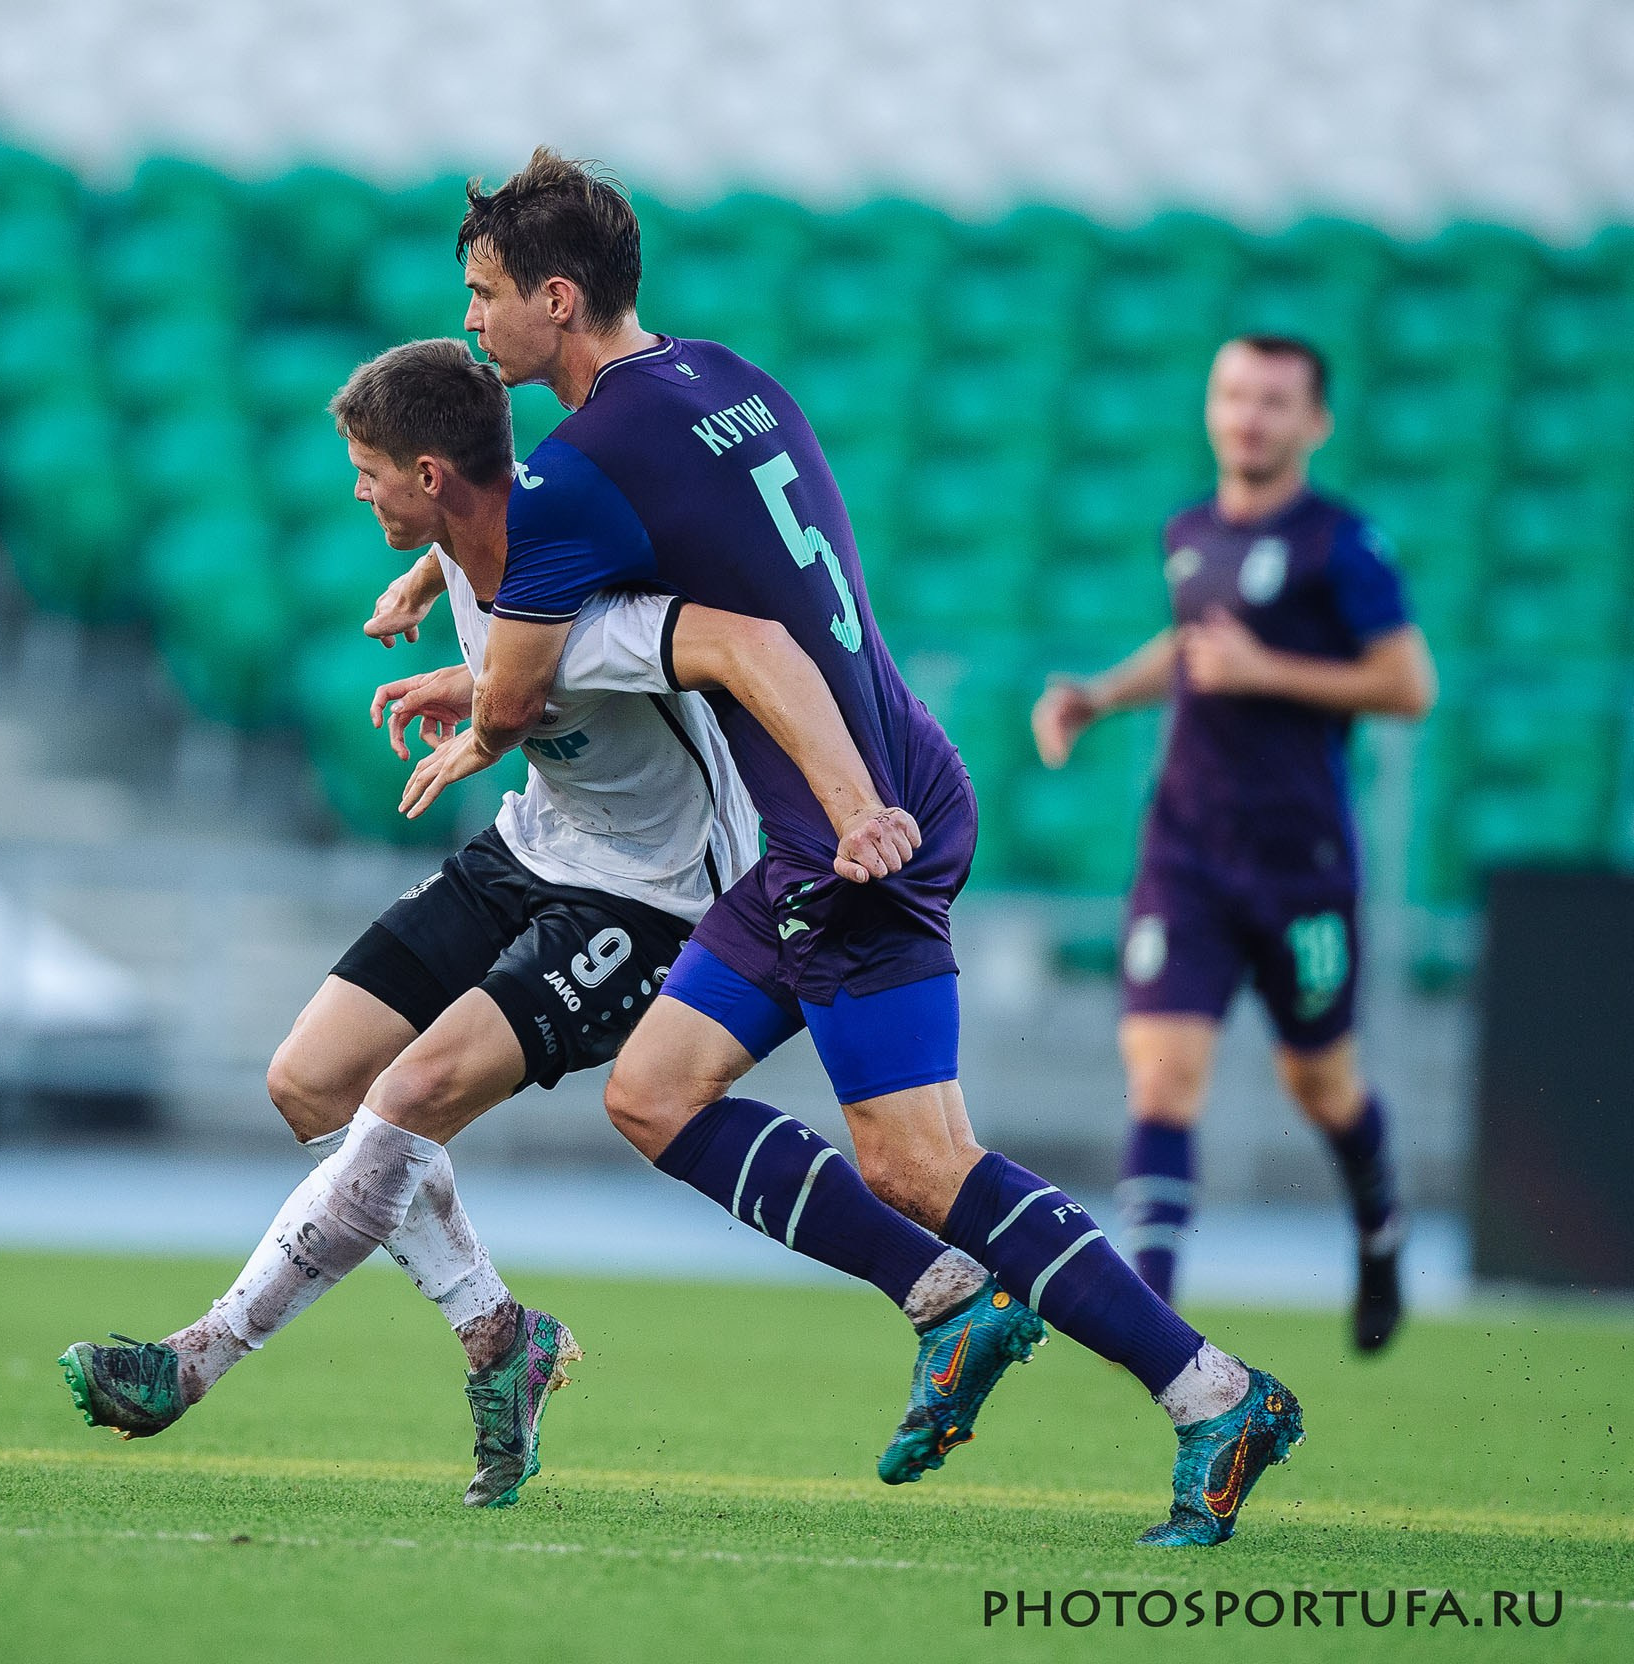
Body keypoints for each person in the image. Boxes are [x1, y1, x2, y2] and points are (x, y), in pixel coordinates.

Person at [409, 148, 1301, 1547]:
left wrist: (473, 700)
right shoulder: (725, 378)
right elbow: (617, 540)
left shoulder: (581, 469)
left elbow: (516, 696)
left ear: (558, 298)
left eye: (484, 293)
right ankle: (950, 1305)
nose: (471, 321)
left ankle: (1213, 1391)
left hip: (849, 838)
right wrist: (448, 560)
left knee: (920, 1162)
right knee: (654, 1093)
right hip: (864, 791)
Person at [61, 338, 969, 1507]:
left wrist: (491, 718)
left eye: (368, 472)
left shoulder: (589, 594)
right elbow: (482, 595)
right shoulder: (462, 540)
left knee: (410, 1094)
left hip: (647, 896)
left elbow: (732, 646)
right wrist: (428, 602)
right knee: (310, 1081)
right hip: (528, 848)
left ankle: (194, 1360)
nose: (355, 492)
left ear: (430, 474)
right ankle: (501, 1332)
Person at [1031, 334, 1437, 1353]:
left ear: (1315, 422)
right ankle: (1153, 1327)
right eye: (1233, 395)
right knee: (1161, 1077)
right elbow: (1192, 646)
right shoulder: (1189, 530)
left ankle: (1379, 1227)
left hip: (1300, 866)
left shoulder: (1343, 545)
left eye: (1273, 401)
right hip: (1187, 853)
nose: (1248, 417)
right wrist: (1098, 695)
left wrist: (1269, 672)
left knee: (1320, 1086)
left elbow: (1408, 685)